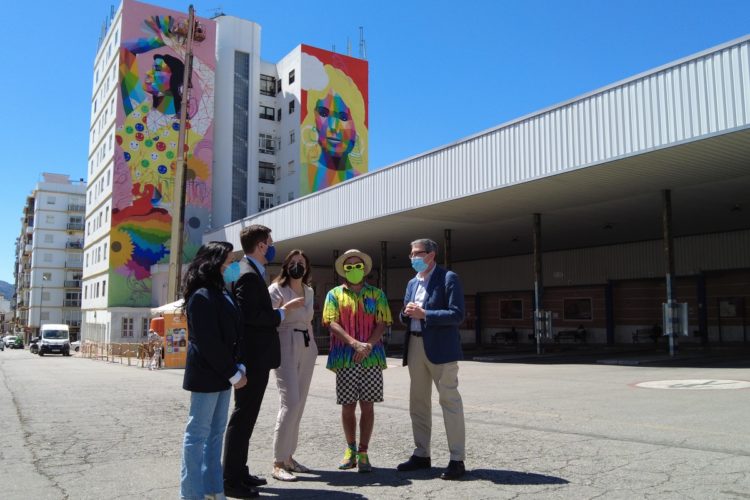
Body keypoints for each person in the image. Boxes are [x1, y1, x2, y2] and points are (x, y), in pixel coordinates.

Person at [223, 225, 304, 498]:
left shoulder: (248, 270)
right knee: (243, 417)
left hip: (257, 356)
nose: (272, 246)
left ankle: (239, 471)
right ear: (260, 245)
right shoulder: (246, 274)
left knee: (247, 417)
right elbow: (250, 316)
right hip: (252, 357)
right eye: (270, 242)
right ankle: (231, 481)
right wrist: (281, 313)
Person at [180, 241, 247, 500]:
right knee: (197, 436)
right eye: (229, 261)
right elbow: (208, 341)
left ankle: (213, 491)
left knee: (215, 435)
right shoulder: (201, 295)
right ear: (214, 262)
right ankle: (191, 494)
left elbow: (235, 334)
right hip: (208, 374)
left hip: (224, 373)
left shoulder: (223, 292)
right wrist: (233, 372)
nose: (232, 267)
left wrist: (238, 365)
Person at [397, 238, 467, 480]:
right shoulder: (411, 283)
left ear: (432, 255)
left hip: (442, 349)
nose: (413, 258)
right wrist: (405, 314)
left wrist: (425, 313)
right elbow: (406, 313)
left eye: (418, 253)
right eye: (411, 254)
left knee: (449, 402)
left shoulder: (449, 278)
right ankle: (421, 453)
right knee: (418, 403)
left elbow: (457, 315)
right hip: (415, 345)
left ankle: (457, 459)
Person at [322, 249, 392, 473]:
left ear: (364, 269)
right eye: (349, 267)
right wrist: (354, 344)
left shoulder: (377, 294)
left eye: (357, 266)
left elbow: (382, 322)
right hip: (346, 358)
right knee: (348, 406)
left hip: (371, 358)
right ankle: (350, 449)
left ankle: (363, 452)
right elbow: (331, 322)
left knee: (368, 406)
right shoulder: (334, 294)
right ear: (344, 270)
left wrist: (368, 345)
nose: (354, 270)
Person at [267, 250, 318, 481]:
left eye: (301, 263)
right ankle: (278, 462)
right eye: (293, 262)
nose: (297, 266)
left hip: (307, 344)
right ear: (286, 266)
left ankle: (289, 456)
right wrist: (285, 309)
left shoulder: (309, 291)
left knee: (301, 403)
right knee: (290, 402)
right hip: (285, 341)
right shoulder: (276, 289)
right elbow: (267, 318)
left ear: (306, 268)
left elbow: (309, 318)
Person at [300, 63, 367, 194]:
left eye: (343, 117)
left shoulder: (363, 182)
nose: (333, 127)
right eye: (324, 114)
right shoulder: (301, 174)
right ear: (313, 119)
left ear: (356, 125)